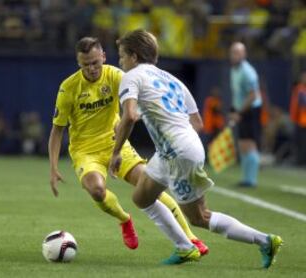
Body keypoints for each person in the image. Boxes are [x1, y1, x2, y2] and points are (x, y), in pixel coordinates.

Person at [109, 29, 282, 267]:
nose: (120, 61)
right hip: (174, 150)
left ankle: (265, 241)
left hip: (178, 152)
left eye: (122, 56)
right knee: (141, 197)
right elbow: (197, 123)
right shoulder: (172, 80)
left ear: (135, 57)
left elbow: (127, 116)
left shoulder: (132, 76)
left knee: (200, 217)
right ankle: (184, 247)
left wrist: (116, 152)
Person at [48, 36, 208, 253]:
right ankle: (124, 219)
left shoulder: (116, 76)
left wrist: (129, 120)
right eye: (86, 65)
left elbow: (139, 103)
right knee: (96, 190)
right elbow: (57, 130)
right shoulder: (68, 88)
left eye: (96, 62)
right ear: (79, 63)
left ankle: (191, 238)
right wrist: (54, 167)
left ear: (103, 56)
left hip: (117, 145)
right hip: (85, 151)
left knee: (150, 184)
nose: (92, 68)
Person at [229, 42, 262, 187]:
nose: (234, 55)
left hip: (250, 110)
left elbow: (253, 96)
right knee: (242, 144)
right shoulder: (234, 70)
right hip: (241, 109)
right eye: (233, 52)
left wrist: (239, 113)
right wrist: (233, 110)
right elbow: (237, 93)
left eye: (238, 52)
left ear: (244, 54)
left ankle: (252, 180)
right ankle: (246, 178)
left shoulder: (248, 72)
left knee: (249, 144)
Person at [290, 71, 306, 166]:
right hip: (298, 120)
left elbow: (303, 102)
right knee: (299, 141)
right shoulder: (299, 88)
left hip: (303, 121)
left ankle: (302, 161)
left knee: (303, 142)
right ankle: (299, 160)